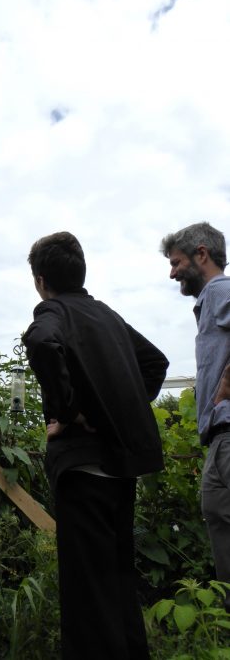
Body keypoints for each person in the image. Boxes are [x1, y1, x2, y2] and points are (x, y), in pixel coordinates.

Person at [22, 232, 168, 660]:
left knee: (87, 599)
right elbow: (155, 363)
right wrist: (114, 410)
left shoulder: (53, 311)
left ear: (41, 279)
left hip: (83, 472)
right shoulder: (105, 315)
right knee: (119, 583)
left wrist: (69, 414)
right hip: (120, 472)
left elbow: (40, 342)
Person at [161, 222, 230, 607]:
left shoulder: (221, 289)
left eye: (176, 262)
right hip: (218, 441)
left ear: (201, 255)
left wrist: (226, 387)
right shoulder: (210, 301)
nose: (172, 273)